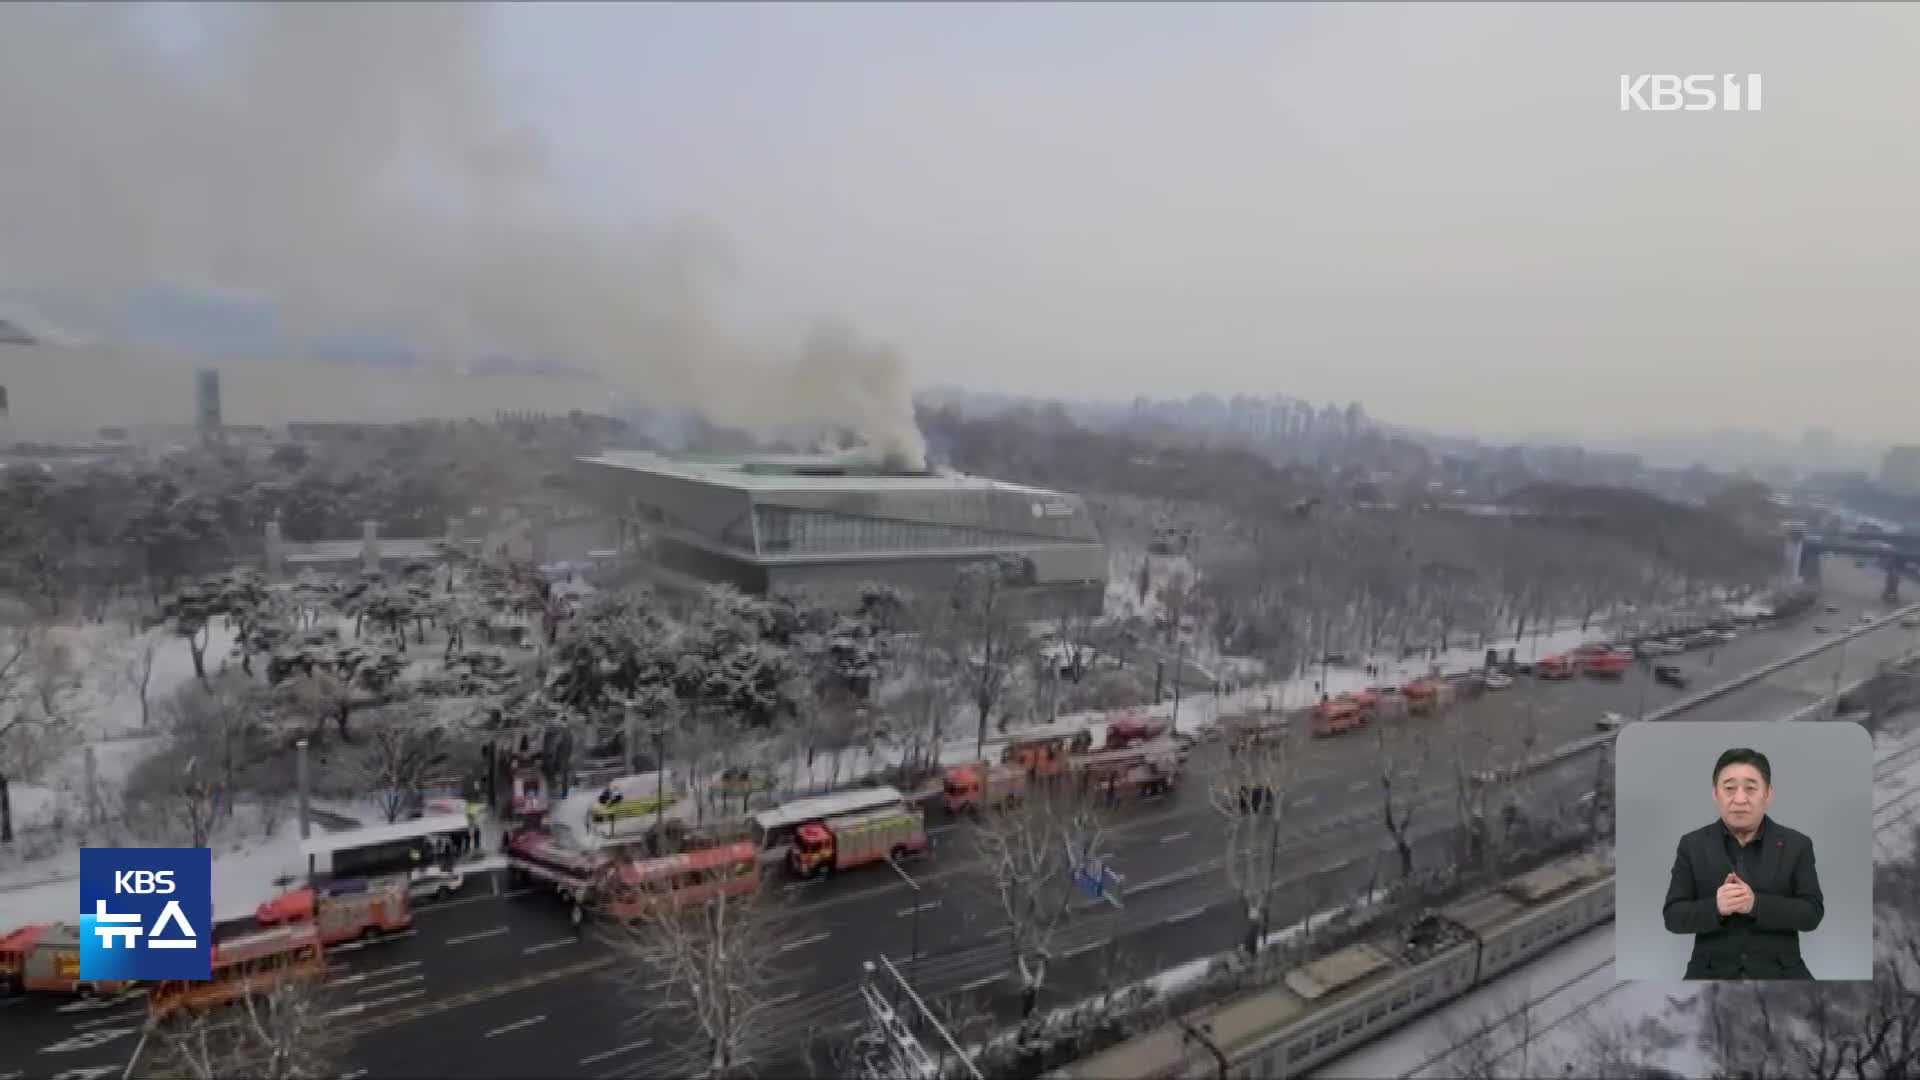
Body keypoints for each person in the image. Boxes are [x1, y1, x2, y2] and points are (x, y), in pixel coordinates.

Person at [1662, 747, 1824, 979]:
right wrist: (1716, 907)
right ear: (1715, 794)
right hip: (1709, 974)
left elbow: (1812, 913)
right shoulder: (1692, 845)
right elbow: (1673, 916)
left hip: (1781, 973)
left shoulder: (1796, 844)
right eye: (1729, 789)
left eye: (1750, 788)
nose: (1740, 799)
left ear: (1768, 794)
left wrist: (1755, 904)